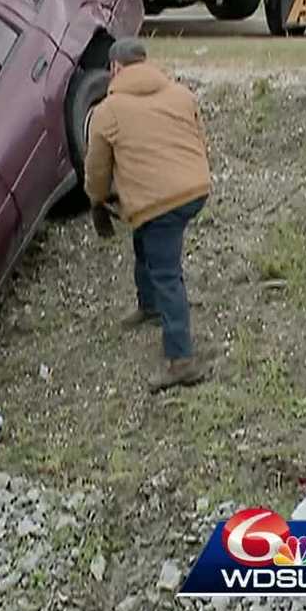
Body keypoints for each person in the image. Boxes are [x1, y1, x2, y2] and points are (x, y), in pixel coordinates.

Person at [83, 38, 212, 393]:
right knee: (144, 236)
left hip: (160, 202)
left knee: (167, 273)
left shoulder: (108, 111)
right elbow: (200, 140)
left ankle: (181, 360)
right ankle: (149, 304)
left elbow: (97, 168)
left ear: (115, 68)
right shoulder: (181, 94)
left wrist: (97, 200)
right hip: (195, 188)